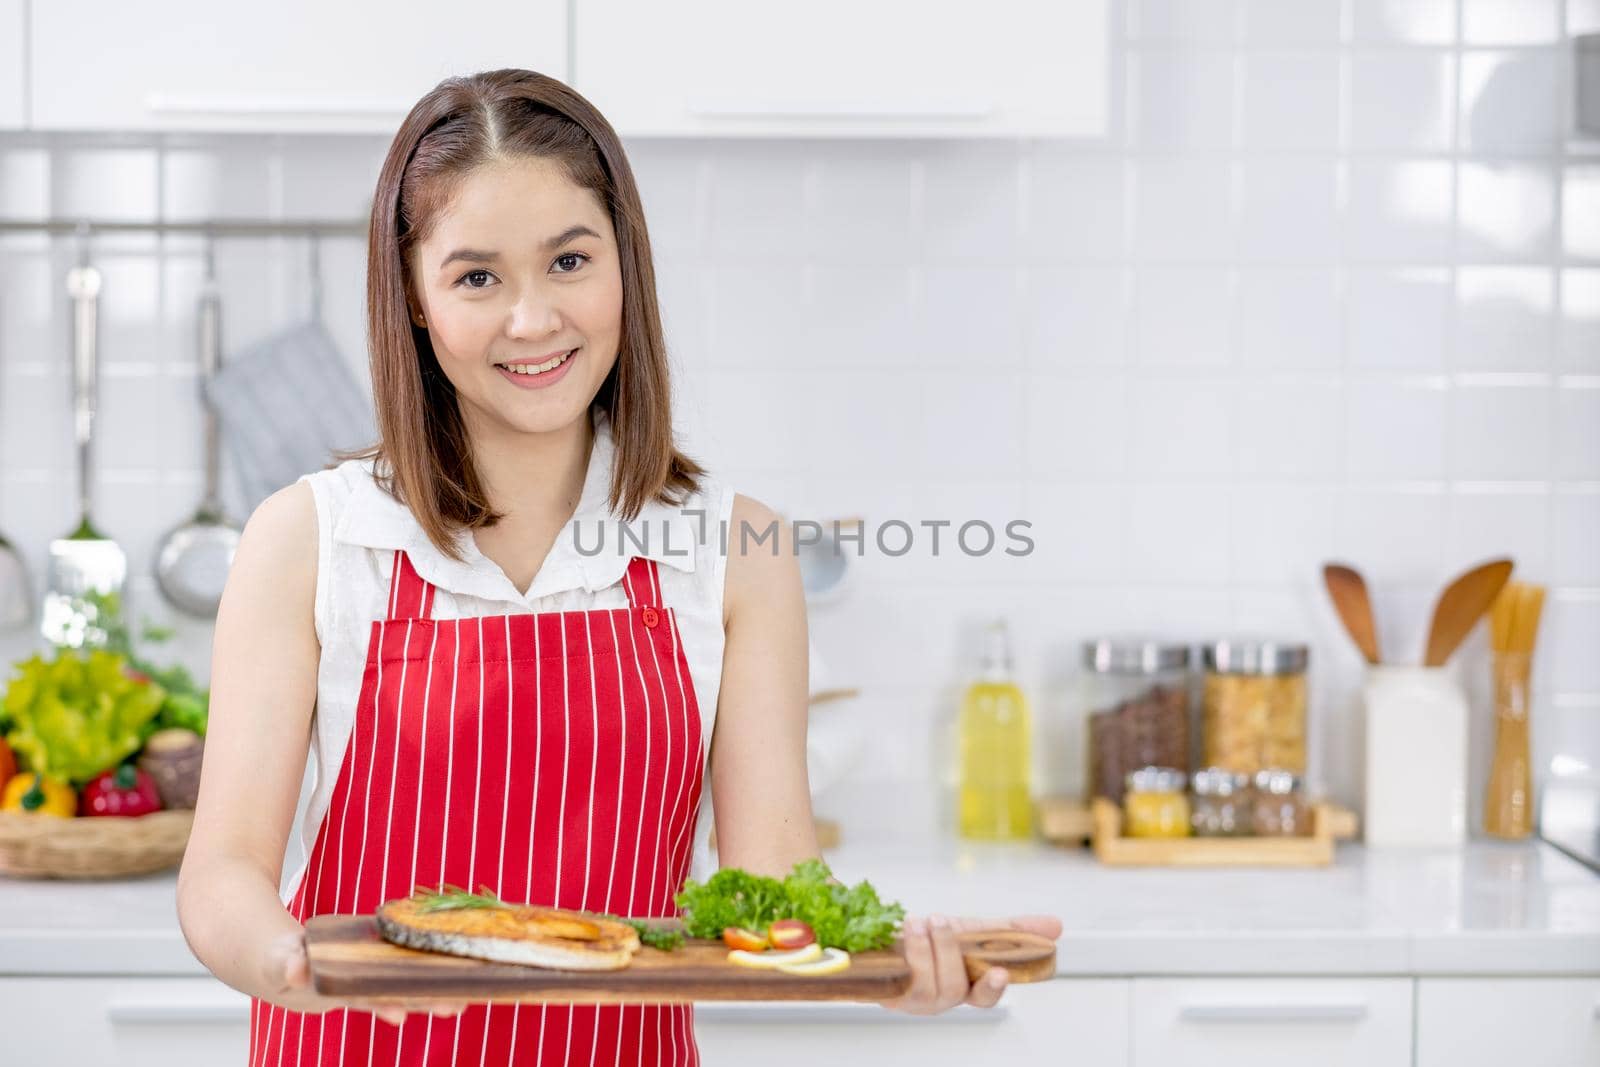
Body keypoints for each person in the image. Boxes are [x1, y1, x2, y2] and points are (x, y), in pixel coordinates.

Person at [176, 67, 1062, 1065]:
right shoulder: (310, 538)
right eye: (477, 276)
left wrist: (892, 966)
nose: (533, 318)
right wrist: (303, 963)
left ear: (624, 266)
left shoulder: (735, 551)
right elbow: (221, 876)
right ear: (415, 299)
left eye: (568, 260)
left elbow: (772, 885)